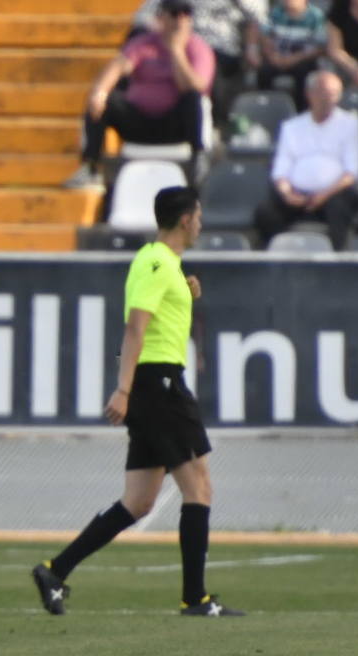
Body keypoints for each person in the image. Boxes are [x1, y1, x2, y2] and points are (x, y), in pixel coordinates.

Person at [32, 187, 242, 619]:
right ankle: (195, 598)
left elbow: (158, 310)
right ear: (185, 220)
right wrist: (123, 389)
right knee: (199, 486)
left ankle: (56, 571)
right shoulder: (154, 262)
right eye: (198, 216)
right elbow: (135, 329)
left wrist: (186, 291)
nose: (200, 223)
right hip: (158, 385)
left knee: (139, 501)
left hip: (155, 386)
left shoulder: (164, 265)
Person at [64, 0, 215, 190]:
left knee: (192, 99)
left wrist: (176, 50)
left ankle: (199, 159)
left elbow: (196, 86)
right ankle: (91, 166)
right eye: (175, 14)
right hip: (140, 123)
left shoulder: (198, 48)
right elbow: (118, 67)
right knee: (106, 100)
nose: (181, 20)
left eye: (186, 14)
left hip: (175, 125)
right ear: (161, 17)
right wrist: (99, 93)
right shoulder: (143, 43)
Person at [254, 70, 358, 249]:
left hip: (334, 193)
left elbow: (352, 171)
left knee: (341, 208)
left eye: (334, 93)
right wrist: (287, 194)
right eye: (324, 92)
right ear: (309, 94)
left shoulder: (350, 123)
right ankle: (275, 263)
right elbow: (281, 169)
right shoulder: (292, 127)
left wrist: (324, 195)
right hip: (297, 195)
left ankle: (337, 263)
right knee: (266, 213)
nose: (330, 98)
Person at [134, 0, 267, 123]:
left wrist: (252, 47)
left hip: (220, 45)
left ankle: (213, 124)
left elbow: (258, 15)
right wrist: (159, 25)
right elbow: (142, 16)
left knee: (208, 73)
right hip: (181, 43)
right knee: (138, 41)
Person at [256, 0, 327, 106]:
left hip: (303, 59)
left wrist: (294, 59)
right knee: (264, 71)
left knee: (304, 73)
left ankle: (301, 111)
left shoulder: (315, 16)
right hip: (278, 57)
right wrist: (273, 56)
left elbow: (320, 48)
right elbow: (265, 36)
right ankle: (267, 106)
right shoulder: (275, 13)